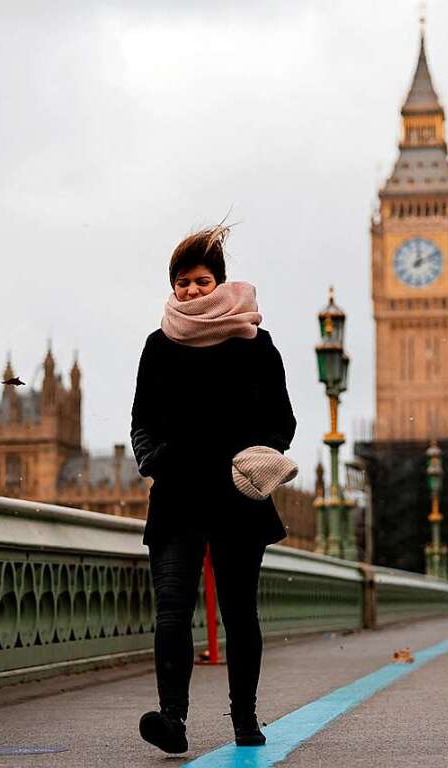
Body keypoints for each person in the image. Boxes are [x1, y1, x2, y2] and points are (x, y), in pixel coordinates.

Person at [129, 225, 297, 754]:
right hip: (177, 497)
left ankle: (244, 717)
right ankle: (172, 719)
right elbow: (141, 422)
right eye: (183, 283)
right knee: (172, 611)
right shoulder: (158, 346)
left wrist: (260, 454)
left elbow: (282, 420)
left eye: (202, 281)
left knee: (239, 612)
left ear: (220, 283)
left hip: (236, 498)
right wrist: (154, 459)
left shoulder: (254, 343)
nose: (192, 291)